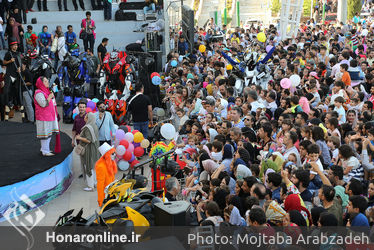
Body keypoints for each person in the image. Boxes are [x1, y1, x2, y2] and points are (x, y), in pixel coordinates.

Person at [34, 77, 59, 156]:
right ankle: (45, 151)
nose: (47, 82)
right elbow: (43, 104)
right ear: (41, 83)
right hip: (43, 117)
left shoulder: (47, 91)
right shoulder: (38, 93)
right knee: (45, 134)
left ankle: (45, 149)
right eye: (45, 81)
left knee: (48, 133)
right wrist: (49, 97)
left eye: (47, 80)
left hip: (49, 116)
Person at [75, 112, 100, 191]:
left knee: (88, 167)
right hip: (94, 149)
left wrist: (79, 138)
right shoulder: (95, 126)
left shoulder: (87, 128)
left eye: (86, 116)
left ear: (89, 118)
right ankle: (95, 183)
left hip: (88, 150)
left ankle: (90, 186)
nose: (84, 117)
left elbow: (89, 140)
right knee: (93, 166)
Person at [2, 38, 22, 121]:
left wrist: (19, 69)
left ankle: (15, 104)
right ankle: (7, 104)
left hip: (16, 75)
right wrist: (10, 61)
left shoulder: (18, 54)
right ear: (11, 46)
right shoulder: (8, 53)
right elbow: (3, 63)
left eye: (16, 45)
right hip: (9, 74)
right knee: (6, 91)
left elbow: (19, 64)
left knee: (17, 90)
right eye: (14, 45)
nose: (15, 46)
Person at [95, 142, 117, 207]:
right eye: (112, 153)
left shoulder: (110, 162)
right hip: (106, 197)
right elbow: (100, 185)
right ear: (107, 155)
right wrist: (100, 201)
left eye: (114, 153)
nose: (114, 155)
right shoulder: (100, 166)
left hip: (111, 193)